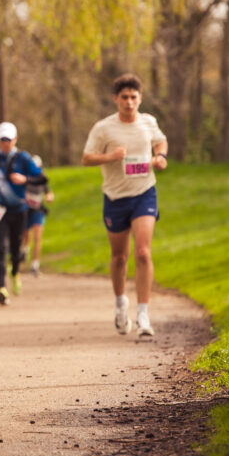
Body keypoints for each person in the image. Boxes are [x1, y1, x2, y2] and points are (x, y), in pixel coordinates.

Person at [81, 73, 167, 337]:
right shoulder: (104, 128)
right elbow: (86, 158)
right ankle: (121, 304)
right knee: (120, 257)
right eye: (124, 98)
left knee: (143, 252)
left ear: (140, 99)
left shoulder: (148, 122)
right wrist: (110, 156)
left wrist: (160, 155)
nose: (129, 102)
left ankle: (143, 315)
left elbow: (160, 140)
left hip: (144, 193)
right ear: (116, 99)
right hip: (115, 198)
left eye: (134, 97)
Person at [0, 122, 41, 305]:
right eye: (2, 139)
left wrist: (25, 179)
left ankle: (14, 272)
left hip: (18, 210)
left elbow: (41, 177)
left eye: (9, 139)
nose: (6, 143)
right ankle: (1, 288)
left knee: (15, 250)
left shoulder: (23, 158)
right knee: (0, 249)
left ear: (16, 139)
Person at [22, 155, 54, 276]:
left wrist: (49, 197)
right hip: (26, 210)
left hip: (38, 211)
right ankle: (25, 249)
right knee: (26, 235)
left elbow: (49, 192)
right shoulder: (26, 178)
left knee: (37, 237)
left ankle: (35, 265)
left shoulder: (42, 179)